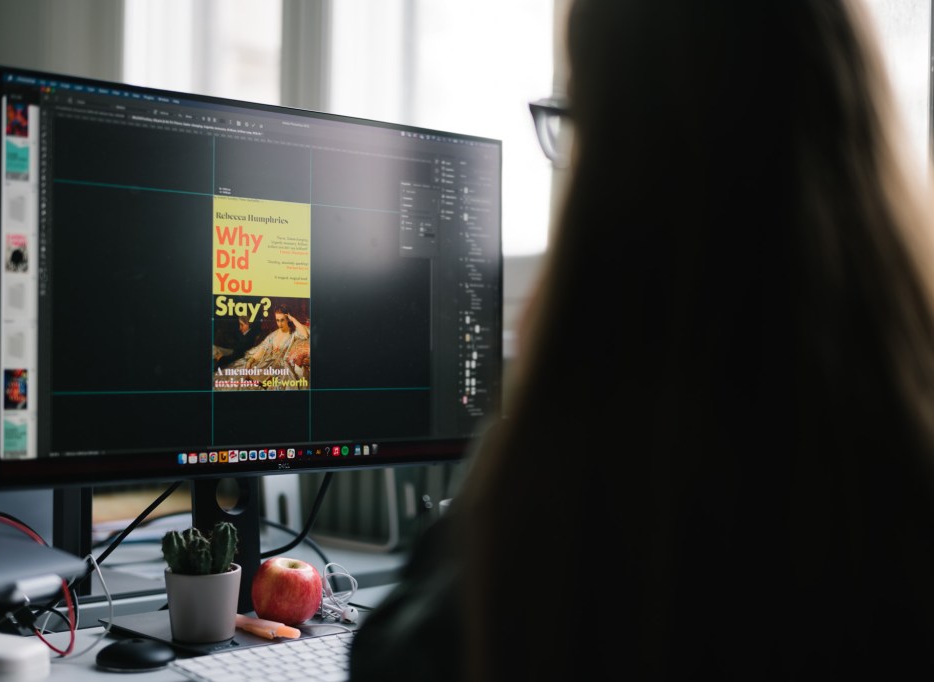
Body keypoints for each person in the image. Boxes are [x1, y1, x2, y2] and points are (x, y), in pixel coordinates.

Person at [349, 1, 934, 679]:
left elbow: (397, 658)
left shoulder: (574, 524)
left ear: (621, 164)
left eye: (574, 118)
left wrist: (508, 458)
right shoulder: (897, 488)